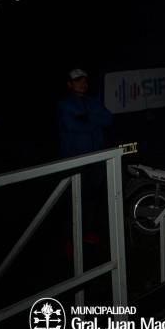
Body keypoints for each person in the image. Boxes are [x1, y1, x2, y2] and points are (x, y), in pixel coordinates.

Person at [56, 68, 114, 249]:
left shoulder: (93, 102)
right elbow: (72, 126)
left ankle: (85, 231)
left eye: (85, 80)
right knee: (74, 200)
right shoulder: (64, 104)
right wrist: (94, 122)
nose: (83, 83)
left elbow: (108, 119)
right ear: (70, 84)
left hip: (96, 157)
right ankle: (69, 240)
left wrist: (87, 117)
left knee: (91, 198)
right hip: (75, 159)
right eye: (78, 80)